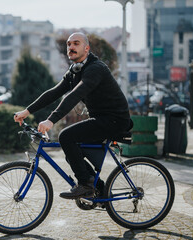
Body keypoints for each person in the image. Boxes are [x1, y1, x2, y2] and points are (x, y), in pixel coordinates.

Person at [14, 32, 131, 199]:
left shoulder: (95, 69)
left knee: (66, 137)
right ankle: (100, 190)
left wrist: (51, 120)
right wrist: (27, 111)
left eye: (76, 43)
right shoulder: (75, 71)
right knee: (72, 154)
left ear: (87, 48)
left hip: (114, 120)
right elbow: (54, 93)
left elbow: (74, 95)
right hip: (101, 119)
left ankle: (85, 185)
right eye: (69, 44)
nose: (71, 47)